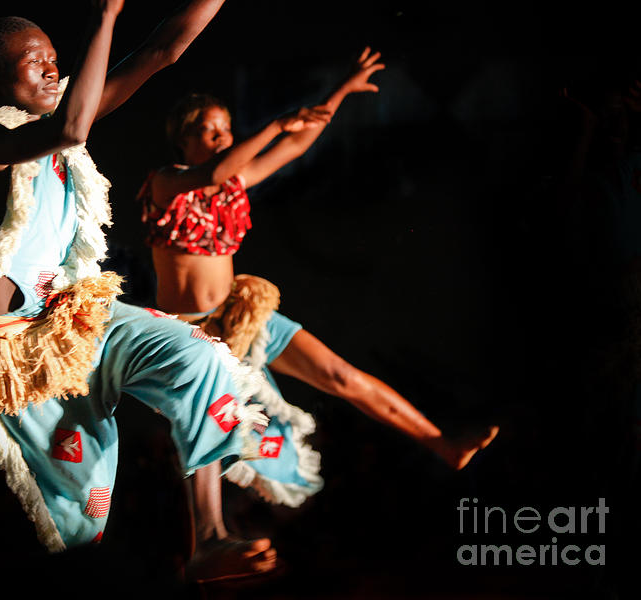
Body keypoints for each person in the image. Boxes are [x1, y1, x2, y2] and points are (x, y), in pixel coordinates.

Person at [0, 1, 281, 579]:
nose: (51, 71)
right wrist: (106, 16)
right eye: (34, 61)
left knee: (198, 353)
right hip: (18, 353)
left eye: (56, 62)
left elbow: (162, 50)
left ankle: (209, 537)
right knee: (78, 520)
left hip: (80, 317)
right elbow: (71, 127)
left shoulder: (60, 123)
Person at [138, 47, 500, 578]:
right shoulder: (164, 184)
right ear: (184, 139)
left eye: (227, 129)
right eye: (211, 132)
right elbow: (217, 169)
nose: (222, 139)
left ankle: (441, 443)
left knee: (340, 375)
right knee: (206, 428)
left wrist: (339, 92)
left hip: (243, 315)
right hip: (194, 338)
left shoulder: (233, 182)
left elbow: (298, 142)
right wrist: (273, 125)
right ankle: (205, 544)